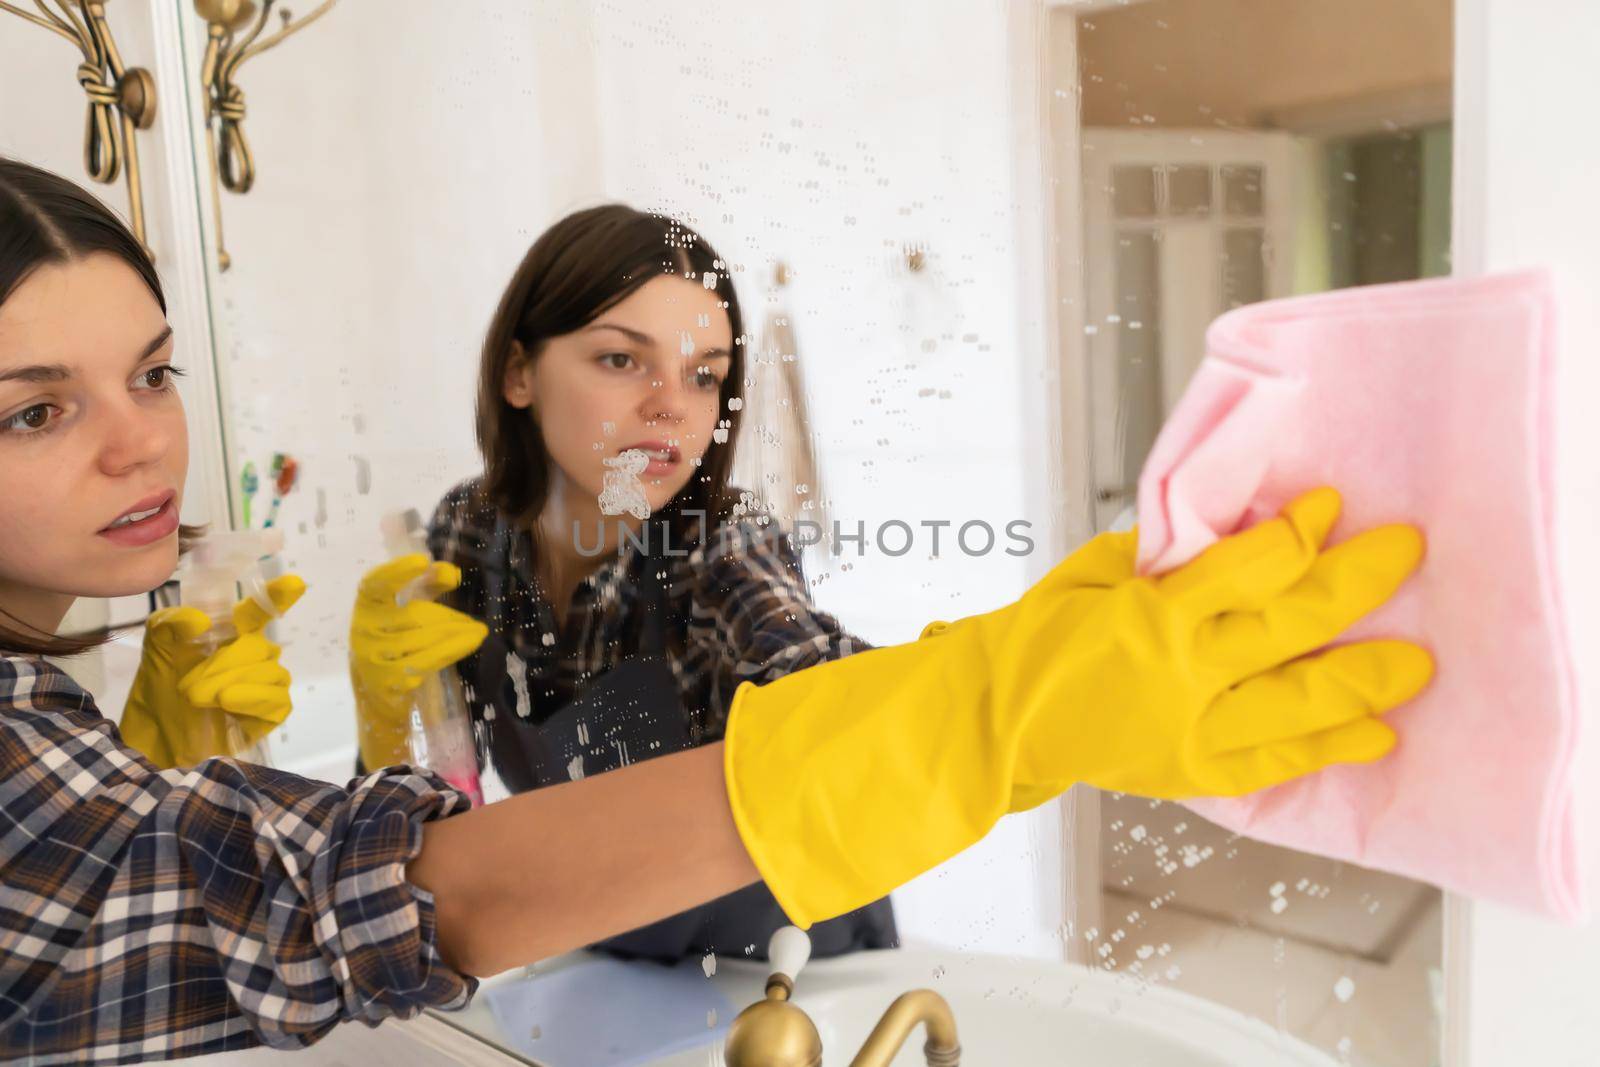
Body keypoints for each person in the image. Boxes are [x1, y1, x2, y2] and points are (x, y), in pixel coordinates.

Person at [0, 156, 1433, 1061]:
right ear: (519, 371)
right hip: (595, 948)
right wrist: (394, 714)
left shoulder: (719, 547)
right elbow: (432, 811)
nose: (669, 411)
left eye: (704, 373)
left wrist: (972, 705)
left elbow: (816, 671)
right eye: (621, 359)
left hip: (792, 961)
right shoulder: (461, 537)